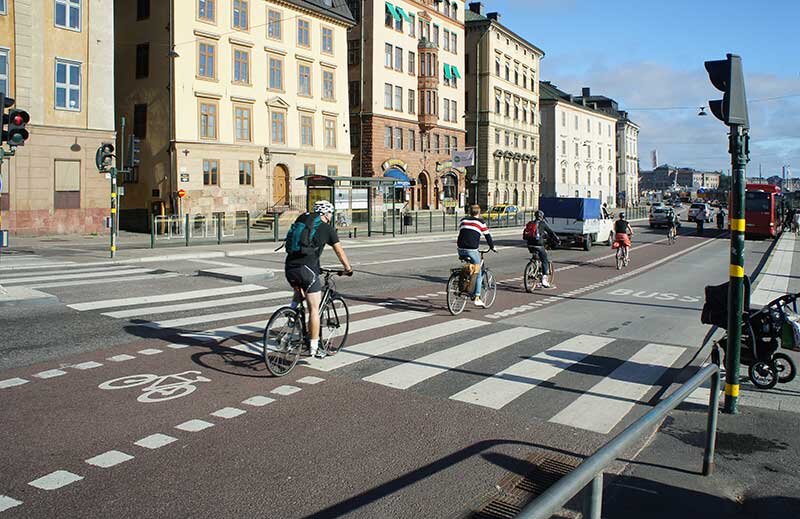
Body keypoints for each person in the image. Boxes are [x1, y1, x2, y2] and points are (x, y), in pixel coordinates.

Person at [284, 200, 353, 358]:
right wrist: (348, 269)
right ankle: (314, 347)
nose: (331, 216)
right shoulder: (328, 229)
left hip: (289, 267)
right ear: (327, 214)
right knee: (314, 309)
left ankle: (292, 312)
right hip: (307, 269)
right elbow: (340, 253)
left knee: (300, 291)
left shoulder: (302, 221)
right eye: (331, 213)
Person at [457, 204, 495, 307]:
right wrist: (492, 247)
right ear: (479, 212)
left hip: (460, 249)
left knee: (470, 268)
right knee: (478, 272)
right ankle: (477, 297)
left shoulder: (463, 220)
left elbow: (463, 232)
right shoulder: (481, 222)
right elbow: (488, 236)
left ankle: (465, 285)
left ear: (470, 212)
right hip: (471, 250)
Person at [524, 210, 560, 288]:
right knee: (544, 260)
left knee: (535, 256)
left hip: (529, 245)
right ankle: (544, 279)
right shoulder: (542, 224)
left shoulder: (530, 223)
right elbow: (550, 232)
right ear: (542, 217)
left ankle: (532, 269)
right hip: (538, 245)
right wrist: (557, 239)